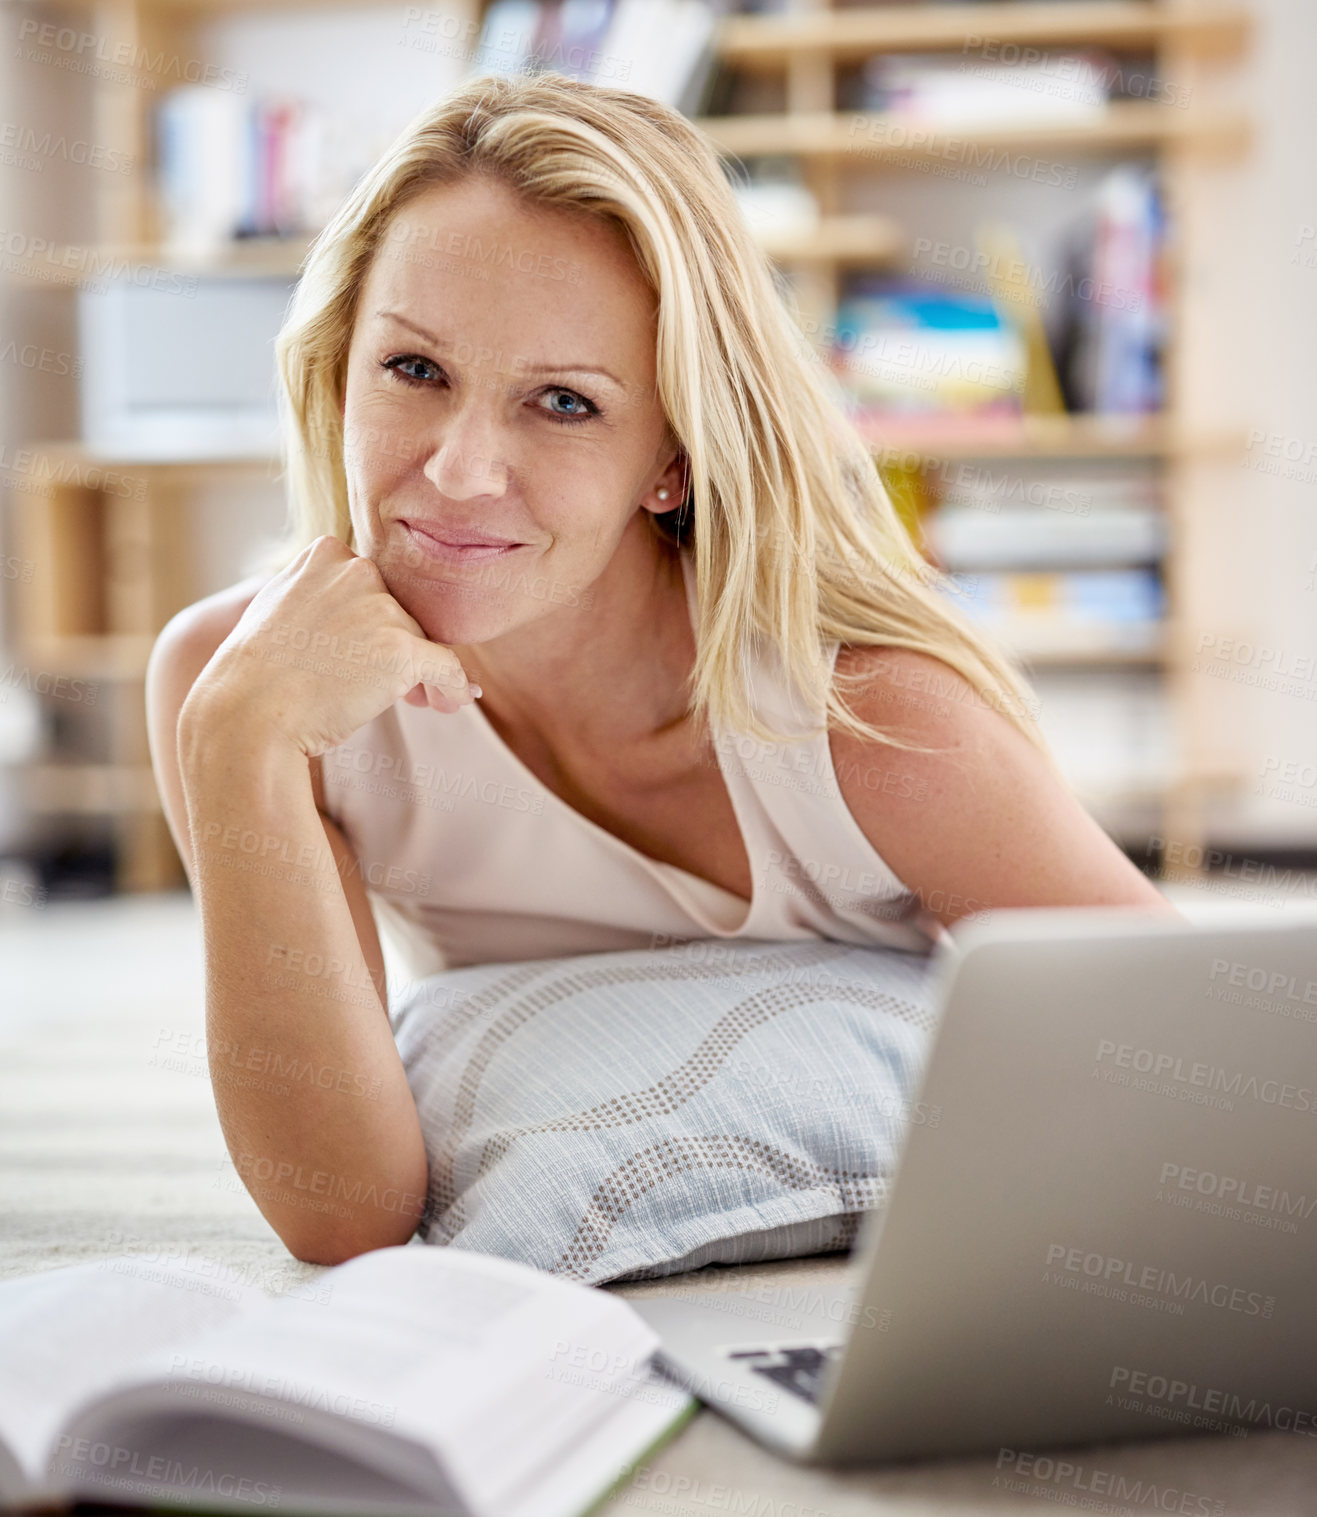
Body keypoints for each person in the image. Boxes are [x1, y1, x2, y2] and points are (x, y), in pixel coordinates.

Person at [145, 71, 1180, 1267]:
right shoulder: (243, 688)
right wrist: (237, 747)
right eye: (415, 370)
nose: (461, 468)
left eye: (565, 403)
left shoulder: (873, 723)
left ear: (671, 459)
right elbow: (340, 1210)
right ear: (338, 370)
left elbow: (1196, 1069)